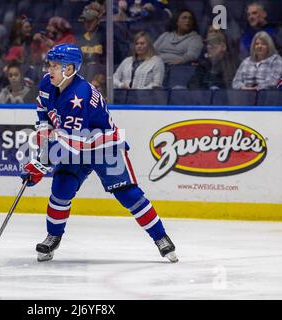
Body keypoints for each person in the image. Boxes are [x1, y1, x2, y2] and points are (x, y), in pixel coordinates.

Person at [20, 43, 178, 263]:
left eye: (55, 66)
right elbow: (42, 107)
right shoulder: (49, 82)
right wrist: (44, 129)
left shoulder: (80, 95)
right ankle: (53, 237)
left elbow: (71, 144)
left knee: (128, 194)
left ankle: (161, 237)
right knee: (61, 188)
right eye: (50, 65)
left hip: (103, 147)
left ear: (69, 69)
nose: (49, 70)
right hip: (74, 143)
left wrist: (40, 165)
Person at [76, 1, 106, 81]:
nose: (87, 24)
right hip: (83, 72)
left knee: (92, 66)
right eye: (85, 21)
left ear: (98, 20)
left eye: (91, 21)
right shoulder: (80, 39)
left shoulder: (105, 37)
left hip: (99, 75)